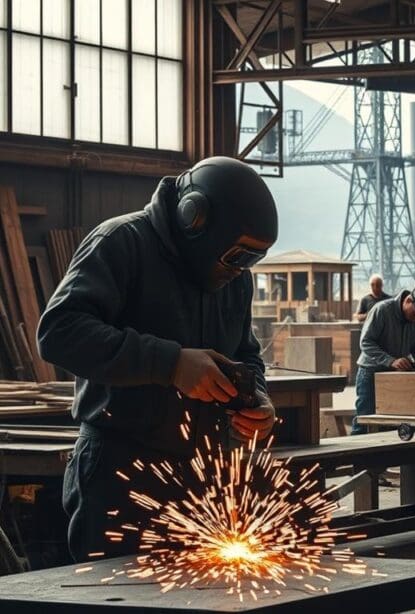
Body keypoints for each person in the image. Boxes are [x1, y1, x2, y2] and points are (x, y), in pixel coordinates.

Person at [37, 157, 279, 562]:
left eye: (252, 260)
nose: (241, 270)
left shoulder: (235, 279)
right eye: (237, 257)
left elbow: (245, 353)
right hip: (121, 473)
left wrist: (257, 398)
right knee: (117, 593)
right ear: (194, 220)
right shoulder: (121, 242)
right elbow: (59, 333)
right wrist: (171, 364)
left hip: (204, 474)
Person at [351, 286, 415, 435]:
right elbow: (366, 342)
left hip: (395, 374)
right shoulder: (382, 310)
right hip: (371, 372)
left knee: (390, 425)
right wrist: (390, 361)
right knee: (364, 421)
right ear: (408, 301)